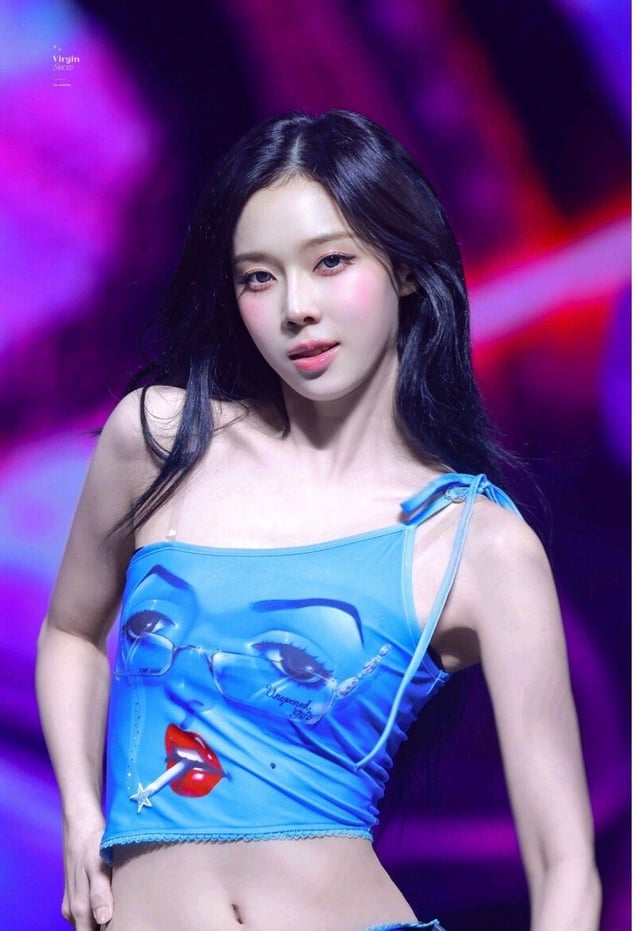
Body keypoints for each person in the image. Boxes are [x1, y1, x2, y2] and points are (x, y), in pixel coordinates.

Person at [36, 109, 600, 931]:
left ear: (404, 268)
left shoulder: (476, 543)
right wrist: (82, 815)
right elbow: (70, 632)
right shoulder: (160, 441)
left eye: (331, 261)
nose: (296, 307)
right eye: (258, 277)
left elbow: (566, 870)